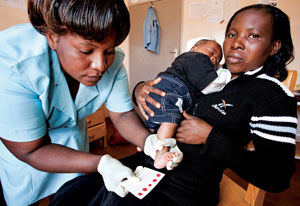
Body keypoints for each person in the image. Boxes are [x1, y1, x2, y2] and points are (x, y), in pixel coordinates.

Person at [50, 4, 297, 206]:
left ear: (274, 46)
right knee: (72, 193)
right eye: (232, 34)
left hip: (182, 192)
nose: (237, 43)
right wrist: (141, 89)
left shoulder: (272, 95)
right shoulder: (210, 73)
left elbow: (276, 177)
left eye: (253, 36)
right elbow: (171, 83)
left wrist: (210, 137)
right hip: (148, 168)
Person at [0, 0, 154, 205]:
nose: (100, 65)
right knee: (27, 198)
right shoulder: (12, 64)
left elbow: (122, 114)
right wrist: (101, 163)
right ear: (53, 38)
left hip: (72, 138)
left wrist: (148, 141)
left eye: (108, 51)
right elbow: (31, 150)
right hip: (26, 144)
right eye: (86, 51)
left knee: (70, 194)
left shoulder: (114, 61)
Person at [143, 39, 231, 170]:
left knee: (159, 123)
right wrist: (224, 73)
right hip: (171, 91)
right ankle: (162, 150)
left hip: (161, 89)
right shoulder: (198, 58)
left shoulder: (185, 62)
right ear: (194, 48)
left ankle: (149, 144)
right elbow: (211, 86)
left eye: (217, 60)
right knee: (170, 121)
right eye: (211, 53)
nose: (213, 59)